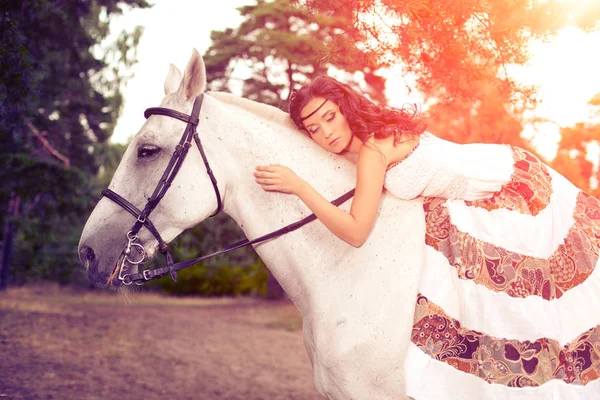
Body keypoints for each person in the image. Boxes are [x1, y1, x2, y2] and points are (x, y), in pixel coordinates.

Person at [253, 76, 600, 398]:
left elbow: (356, 231)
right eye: (314, 129)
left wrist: (299, 187)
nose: (325, 132)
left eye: (330, 117)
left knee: (522, 300)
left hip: (511, 188)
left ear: (346, 108)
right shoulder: (373, 139)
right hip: (499, 171)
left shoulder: (374, 149)